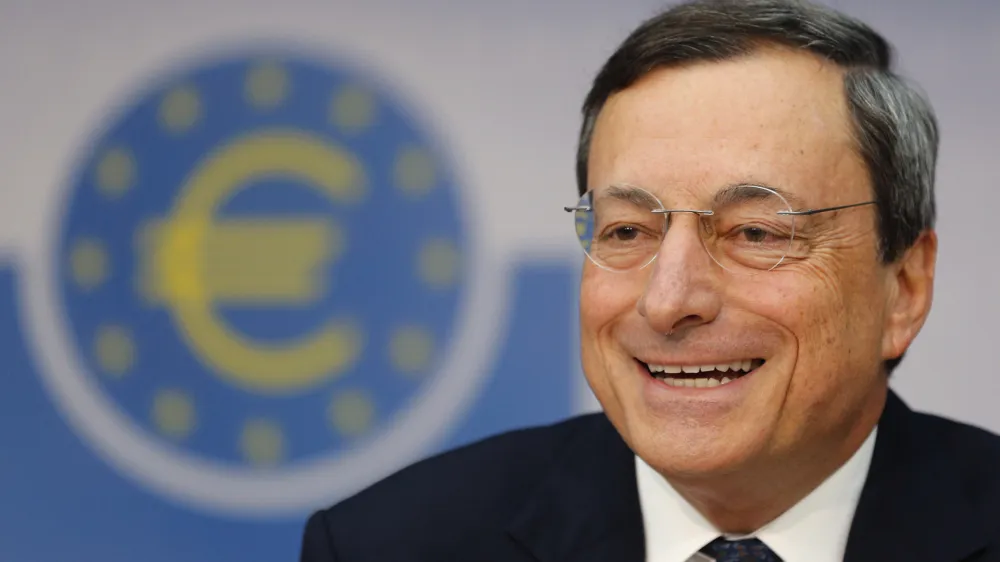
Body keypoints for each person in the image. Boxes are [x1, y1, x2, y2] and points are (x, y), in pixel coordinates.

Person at [299, 1, 1000, 560]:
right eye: (627, 231)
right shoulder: (390, 543)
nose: (669, 300)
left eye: (755, 233)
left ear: (904, 287)